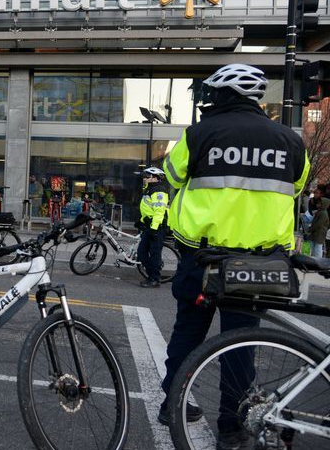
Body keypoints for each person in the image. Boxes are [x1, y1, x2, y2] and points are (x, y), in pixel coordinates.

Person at [158, 64, 309, 450]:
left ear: (221, 96)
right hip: (257, 264)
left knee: (189, 332)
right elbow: (297, 186)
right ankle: (231, 426)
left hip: (202, 256)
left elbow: (173, 176)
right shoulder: (290, 140)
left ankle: (173, 402)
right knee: (240, 345)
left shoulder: (198, 133)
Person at [137, 166, 169, 288]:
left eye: (147, 176)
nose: (144, 178)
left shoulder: (159, 190)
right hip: (149, 226)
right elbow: (147, 209)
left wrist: (154, 229)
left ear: (155, 178)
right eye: (144, 176)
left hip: (157, 228)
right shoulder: (149, 189)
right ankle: (152, 276)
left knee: (154, 254)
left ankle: (154, 279)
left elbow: (159, 211)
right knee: (141, 253)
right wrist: (141, 221)